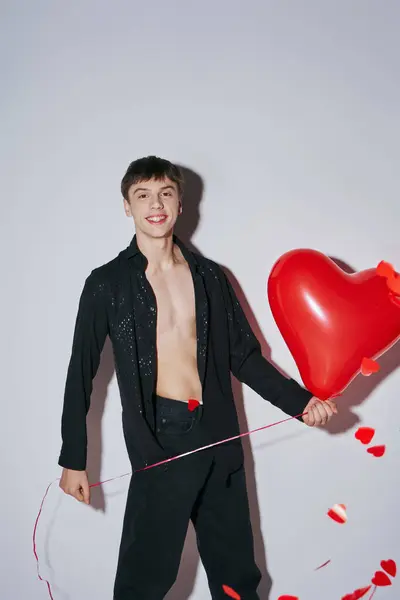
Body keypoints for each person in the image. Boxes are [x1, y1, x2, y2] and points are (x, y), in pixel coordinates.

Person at [58, 156, 338, 599]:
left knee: (236, 575)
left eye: (165, 193)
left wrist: (300, 403)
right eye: (143, 195)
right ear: (126, 206)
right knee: (144, 578)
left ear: (180, 204)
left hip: (218, 434)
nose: (156, 204)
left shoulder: (210, 277)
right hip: (159, 439)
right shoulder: (106, 284)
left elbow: (244, 358)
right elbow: (81, 373)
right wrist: (74, 458)